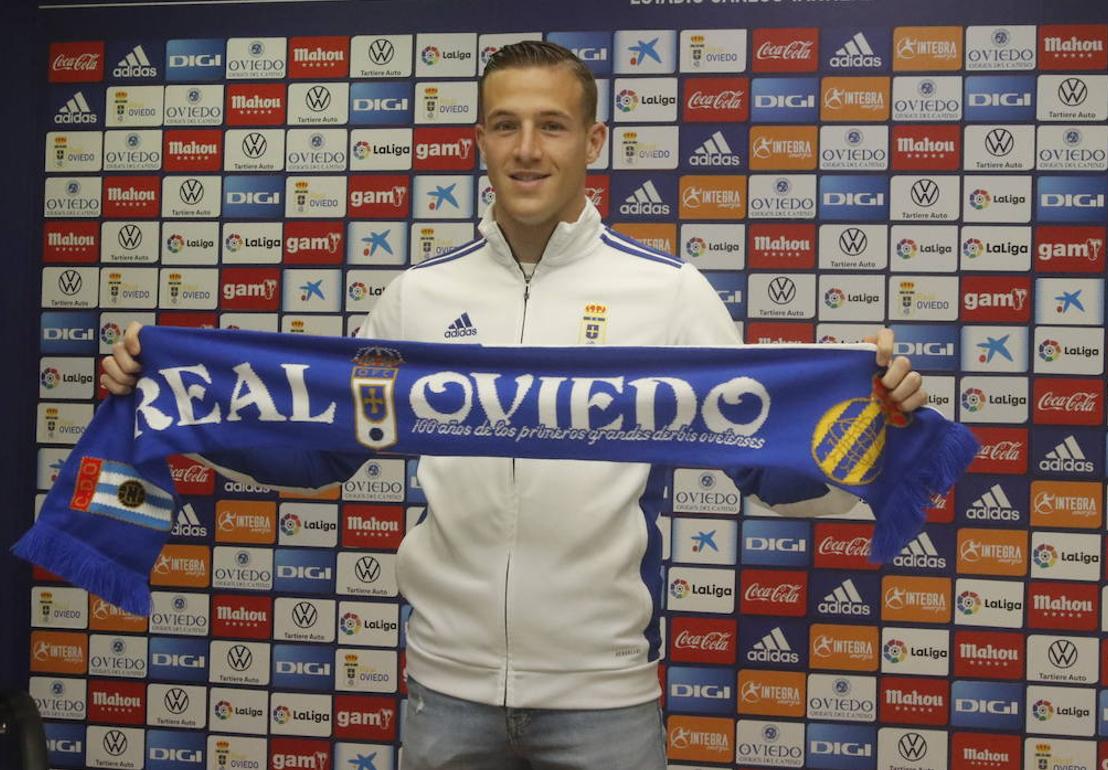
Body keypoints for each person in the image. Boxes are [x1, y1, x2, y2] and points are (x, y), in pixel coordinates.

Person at [102, 41, 926, 770]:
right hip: (445, 691)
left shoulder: (669, 294)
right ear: (480, 142)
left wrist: (872, 433)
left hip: (606, 700)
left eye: (552, 125)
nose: (526, 150)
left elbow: (765, 466)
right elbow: (321, 453)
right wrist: (175, 403)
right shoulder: (418, 296)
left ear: (593, 141)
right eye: (504, 125)